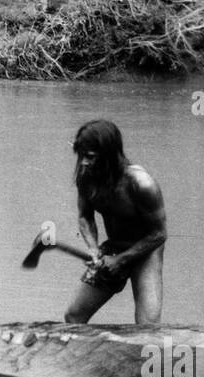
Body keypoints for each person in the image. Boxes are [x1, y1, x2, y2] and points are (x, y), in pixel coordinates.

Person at [63, 120, 167, 327]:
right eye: (81, 156)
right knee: (74, 317)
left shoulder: (142, 184)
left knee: (148, 327)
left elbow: (159, 234)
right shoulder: (87, 177)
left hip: (146, 252)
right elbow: (85, 216)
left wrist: (121, 260)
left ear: (109, 154)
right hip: (113, 247)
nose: (83, 163)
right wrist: (93, 249)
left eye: (90, 157)